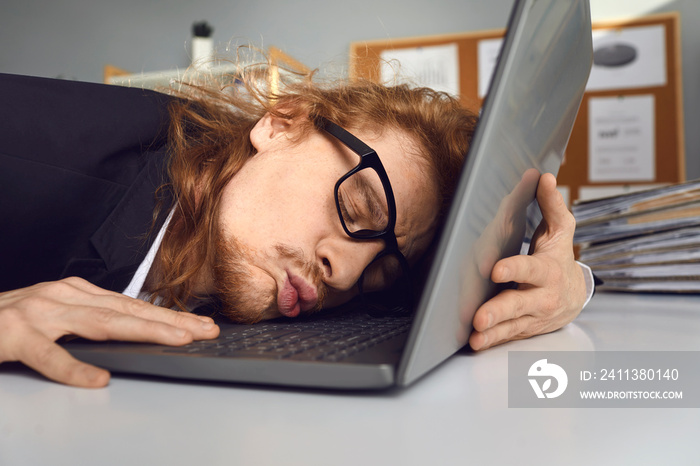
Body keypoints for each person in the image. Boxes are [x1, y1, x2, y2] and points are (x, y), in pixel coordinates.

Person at [0, 58, 592, 388]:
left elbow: (461, 285)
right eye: (358, 209)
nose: (347, 271)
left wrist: (569, 285)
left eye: (381, 272)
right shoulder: (28, 144)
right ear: (281, 126)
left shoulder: (330, 276)